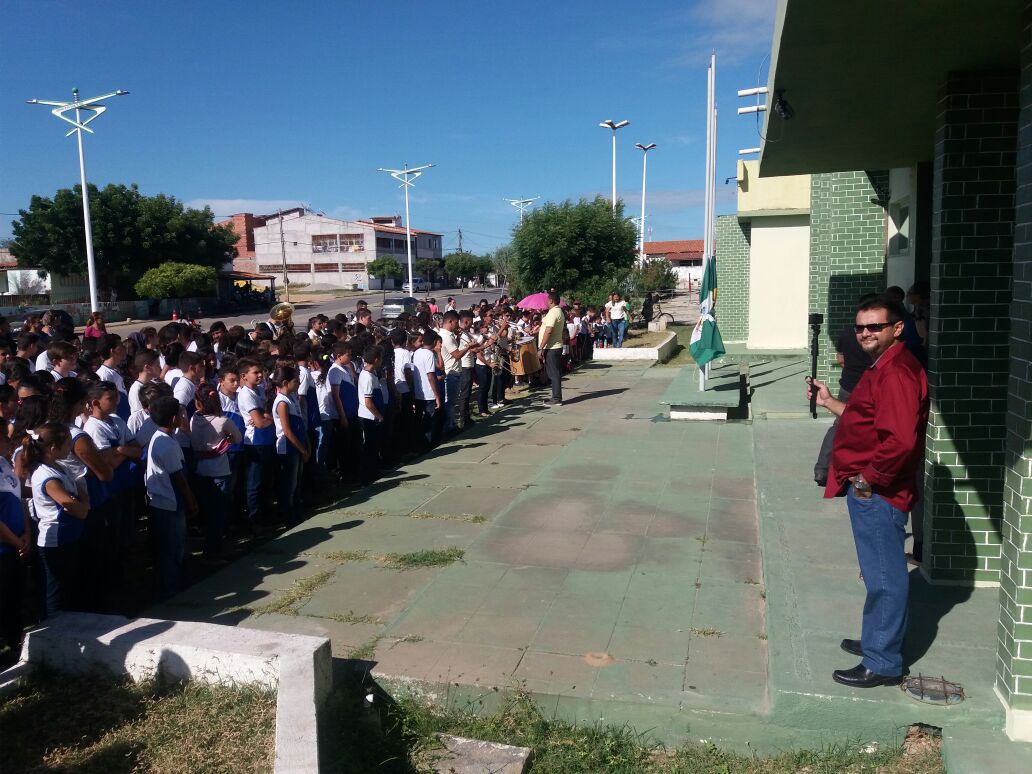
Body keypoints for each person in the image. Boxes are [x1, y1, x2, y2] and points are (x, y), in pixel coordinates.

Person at [807, 295, 928, 688]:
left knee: (885, 576)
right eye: (860, 327)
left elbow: (900, 441)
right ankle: (878, 639)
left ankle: (883, 661)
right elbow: (866, 420)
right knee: (878, 571)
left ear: (897, 328)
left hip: (879, 493)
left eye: (875, 326)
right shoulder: (884, 366)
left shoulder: (897, 373)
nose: (865, 333)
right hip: (871, 488)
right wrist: (829, 402)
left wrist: (868, 479)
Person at [27, 422, 90, 616]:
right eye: (68, 444)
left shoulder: (59, 467)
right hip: (57, 541)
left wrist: (82, 502)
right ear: (53, 448)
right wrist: (81, 504)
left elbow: (80, 497)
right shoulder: (47, 476)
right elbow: (78, 509)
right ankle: (55, 629)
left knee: (70, 588)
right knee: (57, 593)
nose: (71, 448)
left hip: (69, 537)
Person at [813, 295, 874, 486]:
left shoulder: (847, 333)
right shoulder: (876, 341)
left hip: (848, 385)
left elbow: (841, 360)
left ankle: (822, 469)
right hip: (863, 388)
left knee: (840, 426)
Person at [145, 396, 198, 600]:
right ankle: (170, 588)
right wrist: (191, 500)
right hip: (169, 503)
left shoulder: (162, 438)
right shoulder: (166, 444)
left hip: (164, 501)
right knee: (172, 547)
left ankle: (172, 583)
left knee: (171, 546)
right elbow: (179, 478)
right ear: (174, 418)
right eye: (181, 414)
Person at [538, 292, 565, 406]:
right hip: (554, 346)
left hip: (552, 347)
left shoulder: (554, 312)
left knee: (554, 374)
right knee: (554, 373)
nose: (546, 302)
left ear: (551, 301)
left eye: (547, 300)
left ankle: (556, 398)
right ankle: (556, 396)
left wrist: (541, 347)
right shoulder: (558, 311)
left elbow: (549, 330)